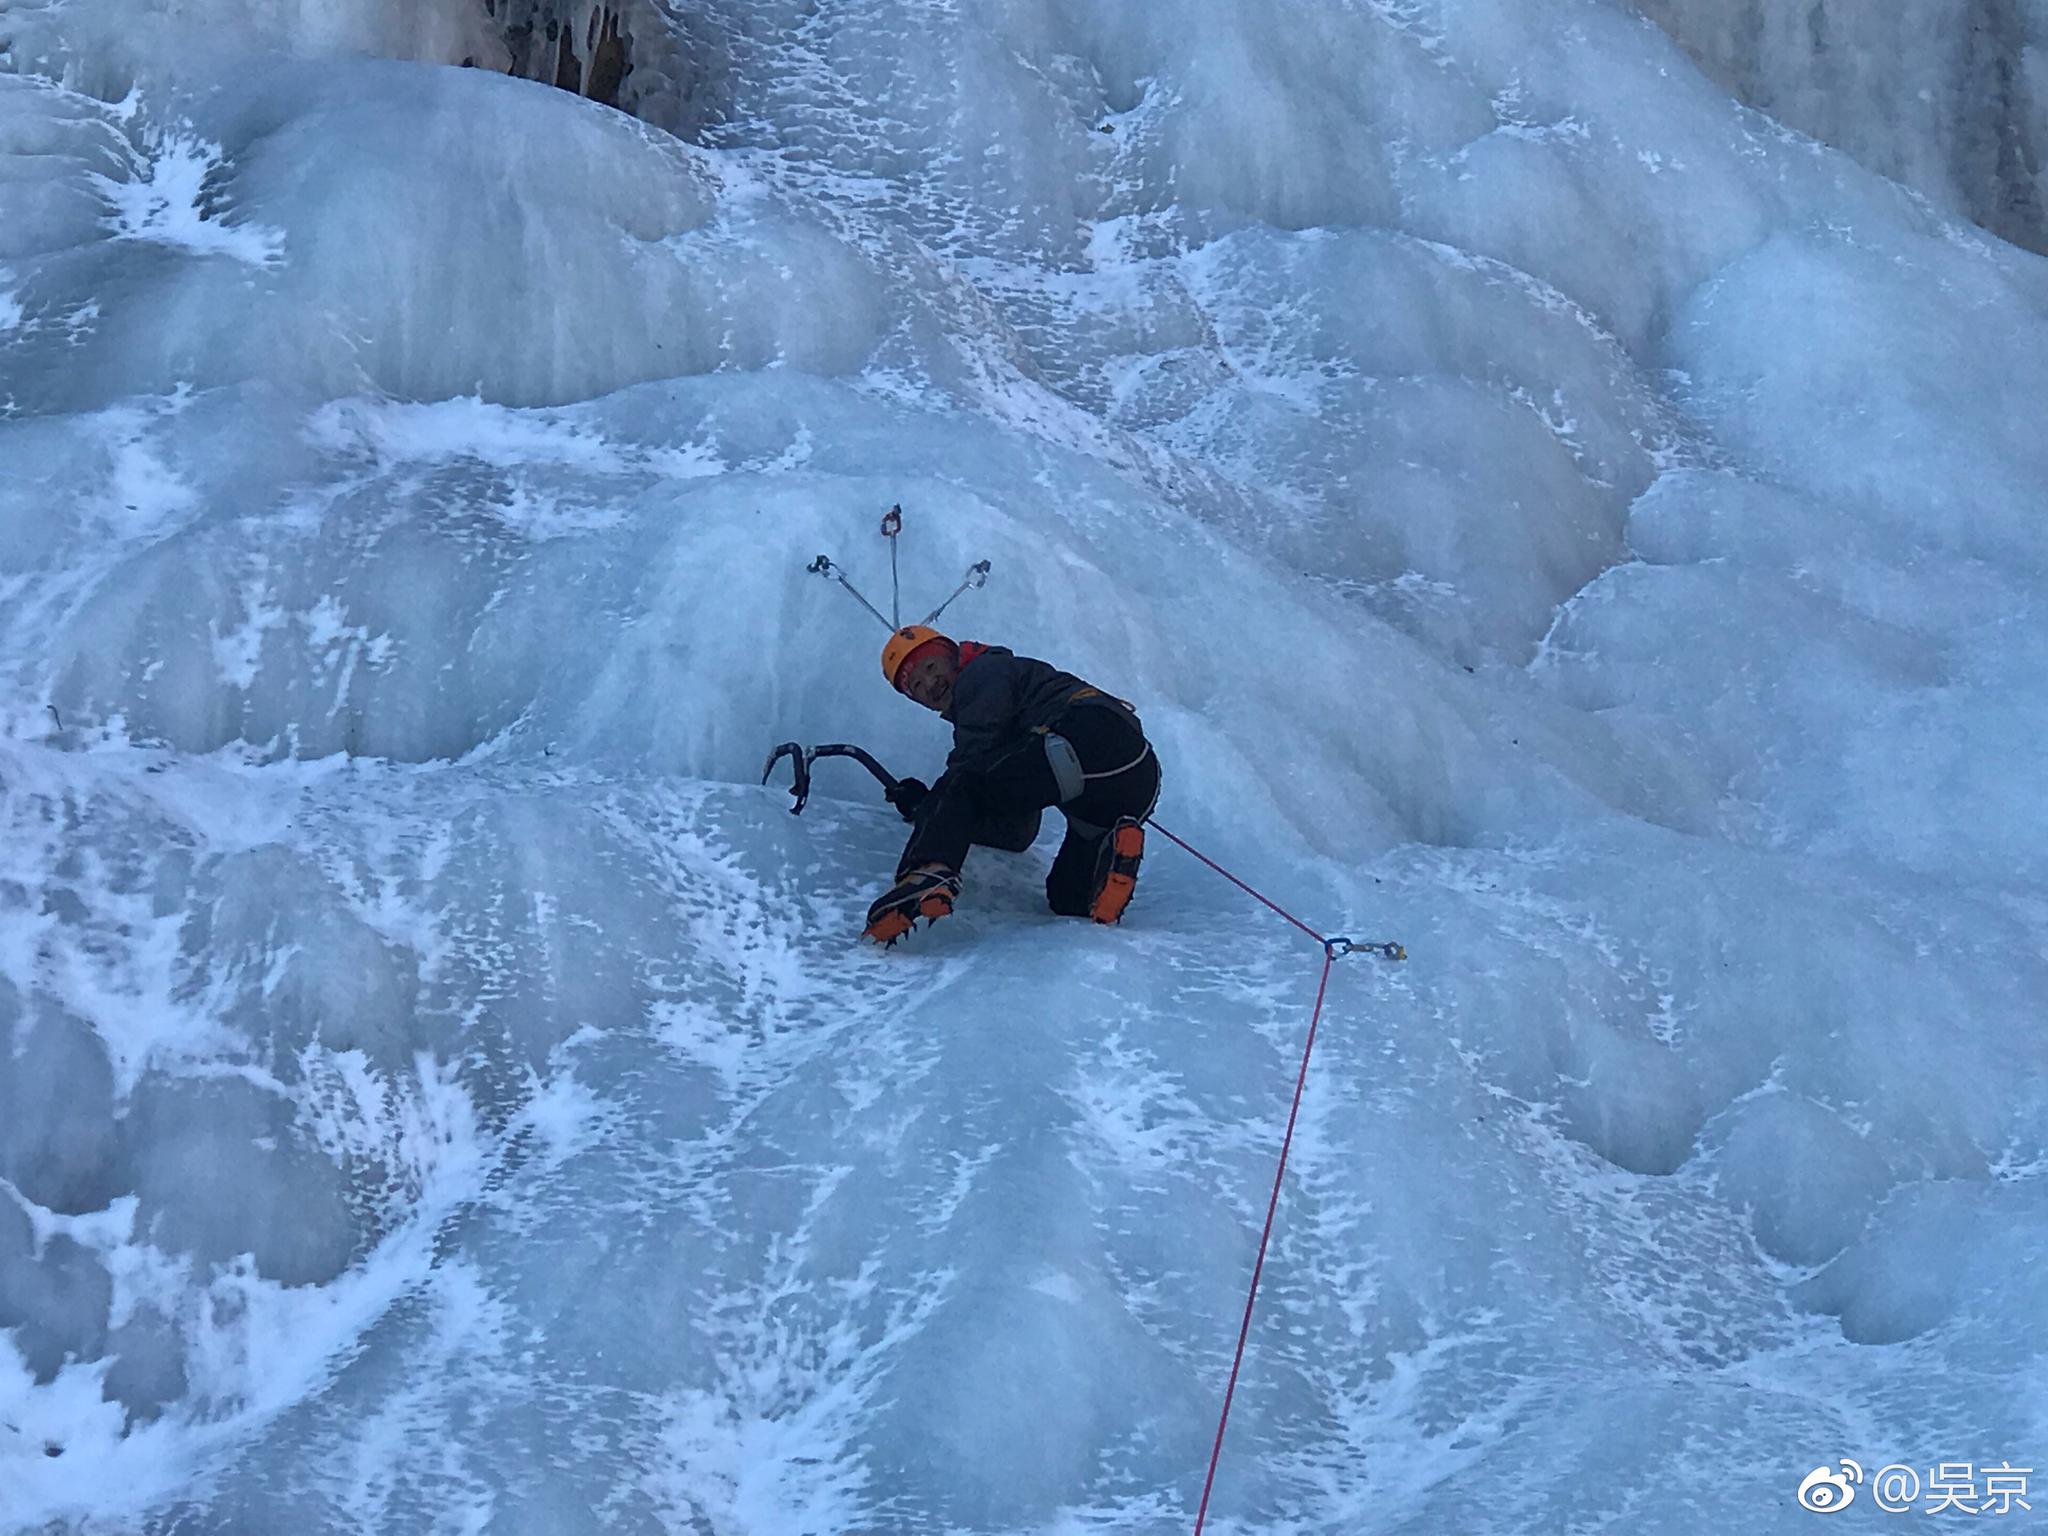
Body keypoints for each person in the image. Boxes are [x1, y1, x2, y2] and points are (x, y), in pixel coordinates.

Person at [863, 625, 1161, 945]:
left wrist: (934, 811)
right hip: (1133, 780)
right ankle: (1116, 850)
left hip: (1086, 733)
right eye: (917, 687)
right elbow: (1014, 832)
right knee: (1068, 899)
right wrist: (928, 807)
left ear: (952, 655)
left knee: (963, 780)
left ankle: (927, 873)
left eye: (931, 667)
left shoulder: (983, 671)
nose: (930, 684)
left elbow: (970, 764)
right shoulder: (1009, 731)